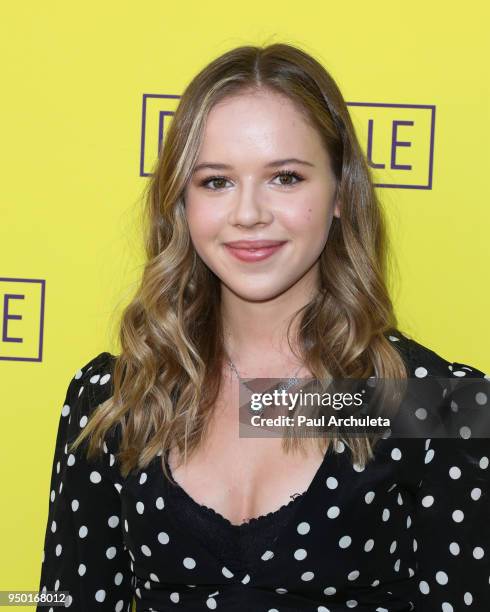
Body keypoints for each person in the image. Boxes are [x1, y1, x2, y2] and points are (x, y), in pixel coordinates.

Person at [36, 43, 490, 611]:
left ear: (342, 193)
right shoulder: (116, 399)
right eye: (216, 182)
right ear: (182, 203)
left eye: (285, 177)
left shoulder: (435, 404)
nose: (249, 213)